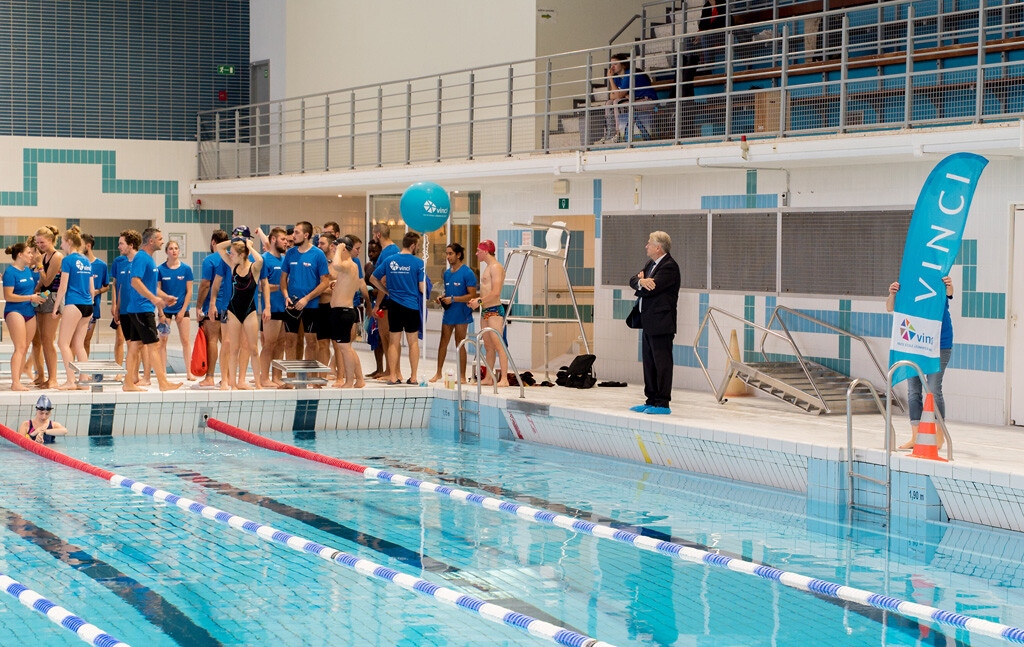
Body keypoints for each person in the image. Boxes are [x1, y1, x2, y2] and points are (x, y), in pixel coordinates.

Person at [887, 276, 954, 450]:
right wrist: (892, 294)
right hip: (914, 344)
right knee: (913, 391)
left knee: (933, 389)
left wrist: (948, 285)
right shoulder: (906, 284)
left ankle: (939, 437)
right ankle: (916, 436)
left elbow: (949, 293)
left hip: (939, 343)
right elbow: (890, 308)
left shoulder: (937, 280)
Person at [628, 231, 681, 415]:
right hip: (648, 322)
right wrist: (641, 281)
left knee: (662, 363)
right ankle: (651, 400)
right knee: (649, 363)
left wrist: (641, 284)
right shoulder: (651, 264)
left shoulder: (669, 267)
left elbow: (651, 290)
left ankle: (663, 403)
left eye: (649, 243)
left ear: (658, 247)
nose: (646, 246)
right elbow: (632, 280)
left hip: (662, 323)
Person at [122, 228, 180, 392]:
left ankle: (128, 384)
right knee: (154, 345)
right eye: (160, 239)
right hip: (141, 309)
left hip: (139, 308)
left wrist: (165, 296)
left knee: (135, 346)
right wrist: (154, 299)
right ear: (151, 241)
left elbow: (150, 286)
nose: (163, 242)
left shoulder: (148, 259)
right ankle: (163, 383)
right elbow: (135, 282)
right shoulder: (142, 257)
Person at [370, 232, 425, 385]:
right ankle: (413, 377)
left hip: (394, 305)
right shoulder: (418, 263)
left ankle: (393, 377)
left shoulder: (390, 260)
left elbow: (373, 278)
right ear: (413, 245)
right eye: (417, 245)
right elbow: (422, 288)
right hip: (411, 306)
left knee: (394, 342)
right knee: (413, 342)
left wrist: (387, 291)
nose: (418, 248)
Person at [211, 236, 265, 389]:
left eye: (233, 253)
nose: (230, 255)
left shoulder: (254, 268)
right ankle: (233, 384)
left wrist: (250, 246)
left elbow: (260, 260)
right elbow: (219, 248)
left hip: (249, 311)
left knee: (253, 349)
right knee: (233, 348)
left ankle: (258, 384)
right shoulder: (232, 265)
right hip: (233, 311)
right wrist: (235, 239)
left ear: (242, 255)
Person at [280, 221, 331, 368]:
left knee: (312, 342)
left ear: (306, 235)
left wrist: (307, 298)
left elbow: (325, 282)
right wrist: (286, 296)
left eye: (297, 232)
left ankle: (310, 376)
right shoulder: (290, 253)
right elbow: (283, 279)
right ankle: (291, 377)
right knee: (290, 341)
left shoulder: (318, 254)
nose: (293, 236)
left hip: (311, 305)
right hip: (292, 304)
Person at [52, 225, 95, 390]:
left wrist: (56, 307)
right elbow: (92, 289)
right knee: (79, 344)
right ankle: (84, 381)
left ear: (69, 242)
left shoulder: (67, 260)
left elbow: (62, 287)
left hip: (74, 304)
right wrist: (90, 302)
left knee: (63, 343)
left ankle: (71, 381)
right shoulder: (86, 260)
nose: (61, 245)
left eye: (62, 242)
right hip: (88, 305)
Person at [430, 243, 477, 384]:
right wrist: (443, 297)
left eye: (450, 253)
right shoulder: (447, 273)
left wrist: (453, 299)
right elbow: (449, 292)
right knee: (443, 342)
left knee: (460, 343)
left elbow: (472, 295)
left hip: (462, 313)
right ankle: (438, 373)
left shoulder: (467, 273)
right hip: (449, 312)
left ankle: (462, 376)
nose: (448, 256)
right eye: (447, 253)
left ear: (459, 255)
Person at [4, 242, 46, 391]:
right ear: (20, 255)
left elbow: (31, 291)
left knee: (26, 347)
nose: (31, 255)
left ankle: (18, 381)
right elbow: (8, 296)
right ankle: (15, 383)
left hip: (29, 311)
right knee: (20, 347)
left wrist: (38, 296)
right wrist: (30, 297)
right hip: (15, 311)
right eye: (28, 252)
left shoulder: (27, 271)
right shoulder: (10, 272)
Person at [467, 240, 508, 387]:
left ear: (485, 251)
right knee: (488, 347)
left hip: (494, 311)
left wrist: (479, 301)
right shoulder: (488, 267)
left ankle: (504, 379)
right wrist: (478, 301)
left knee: (499, 345)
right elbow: (487, 291)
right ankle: (489, 378)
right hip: (485, 310)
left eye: (478, 251)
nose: (476, 253)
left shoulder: (496, 267)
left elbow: (496, 292)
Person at [330, 236, 369, 388]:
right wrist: (338, 284)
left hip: (343, 312)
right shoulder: (351, 266)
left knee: (345, 349)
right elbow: (353, 285)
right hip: (342, 311)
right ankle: (359, 380)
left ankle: (349, 381)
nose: (334, 250)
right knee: (347, 348)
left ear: (343, 249)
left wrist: (339, 250)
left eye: (336, 248)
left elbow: (336, 265)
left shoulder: (346, 264)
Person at [196, 230, 230, 387]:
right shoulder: (231, 258)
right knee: (226, 341)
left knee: (212, 340)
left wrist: (198, 306)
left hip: (214, 306)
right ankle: (227, 377)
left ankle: (209, 377)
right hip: (228, 306)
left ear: (213, 242)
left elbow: (205, 285)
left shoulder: (210, 260)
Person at [600, 53, 658, 143]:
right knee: (609, 103)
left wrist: (610, 78)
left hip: (647, 100)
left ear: (623, 64)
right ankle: (610, 133)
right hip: (635, 100)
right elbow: (611, 96)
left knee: (617, 102)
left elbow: (618, 96)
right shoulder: (618, 78)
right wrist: (622, 94)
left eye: (615, 64)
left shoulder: (629, 74)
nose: (612, 67)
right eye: (611, 65)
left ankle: (619, 134)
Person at [157, 240, 195, 380]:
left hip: (182, 309)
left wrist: (183, 310)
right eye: (171, 248)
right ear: (166, 251)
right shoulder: (160, 269)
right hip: (165, 310)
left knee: (185, 341)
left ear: (179, 251)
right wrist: (160, 313)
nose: (173, 251)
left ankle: (189, 372)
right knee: (163, 341)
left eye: (176, 248)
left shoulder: (186, 269)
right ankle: (163, 372)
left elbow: (189, 292)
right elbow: (157, 292)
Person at [258, 227, 288, 387]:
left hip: (284, 308)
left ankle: (276, 377)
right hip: (271, 309)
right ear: (274, 239)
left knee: (281, 344)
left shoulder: (284, 260)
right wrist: (281, 286)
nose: (286, 242)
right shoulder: (264, 260)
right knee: (268, 344)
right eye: (283, 239)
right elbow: (261, 287)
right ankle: (264, 378)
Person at [33, 225, 63, 388]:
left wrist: (39, 264)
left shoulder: (57, 256)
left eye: (42, 242)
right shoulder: (44, 256)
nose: (39, 246)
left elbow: (47, 281)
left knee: (48, 340)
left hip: (53, 299)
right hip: (43, 297)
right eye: (37, 243)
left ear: (51, 240)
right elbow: (41, 283)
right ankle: (46, 377)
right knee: (42, 340)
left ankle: (53, 379)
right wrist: (33, 293)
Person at [371, 223, 400, 379]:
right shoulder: (392, 250)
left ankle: (392, 371)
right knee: (386, 336)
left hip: (388, 300)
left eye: (373, 234)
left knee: (388, 336)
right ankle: (390, 370)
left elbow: (383, 280)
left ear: (378, 235)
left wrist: (377, 304)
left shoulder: (388, 252)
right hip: (390, 299)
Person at [82, 234, 109, 357]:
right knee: (74, 341)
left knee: (86, 340)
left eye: (80, 244)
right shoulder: (78, 263)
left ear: (88, 246)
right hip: (77, 306)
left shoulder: (101, 265)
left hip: (93, 308)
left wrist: (96, 291)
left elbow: (107, 286)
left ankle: (84, 367)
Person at [315, 232, 338, 377]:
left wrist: (322, 287)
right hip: (320, 307)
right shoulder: (318, 261)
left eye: (322, 243)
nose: (318, 246)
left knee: (337, 344)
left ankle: (340, 376)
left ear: (331, 245)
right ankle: (322, 376)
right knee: (322, 344)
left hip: (334, 307)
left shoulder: (337, 264)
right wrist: (327, 286)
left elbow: (341, 285)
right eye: (318, 243)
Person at [363, 239, 386, 378]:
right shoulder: (368, 266)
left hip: (381, 305)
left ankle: (385, 369)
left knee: (382, 337)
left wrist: (376, 291)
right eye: (369, 251)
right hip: (371, 304)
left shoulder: (383, 267)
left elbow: (384, 286)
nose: (371, 254)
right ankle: (379, 368)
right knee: (374, 337)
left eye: (374, 251)